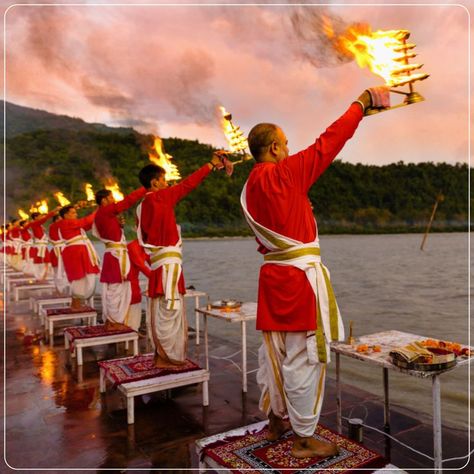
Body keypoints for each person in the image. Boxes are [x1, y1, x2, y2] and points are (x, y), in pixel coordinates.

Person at [240, 89, 387, 458]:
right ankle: (303, 438)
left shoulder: (249, 187)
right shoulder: (285, 173)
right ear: (273, 148)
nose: (289, 150)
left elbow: (283, 219)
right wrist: (360, 103)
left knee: (272, 353)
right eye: (285, 144)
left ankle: (276, 420)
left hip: (272, 279)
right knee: (305, 357)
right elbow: (329, 142)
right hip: (299, 281)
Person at [137, 153, 226, 368]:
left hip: (161, 266)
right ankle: (169, 358)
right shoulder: (161, 197)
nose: (167, 183)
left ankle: (161, 355)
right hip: (168, 267)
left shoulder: (142, 206)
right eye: (164, 179)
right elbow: (188, 184)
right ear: (155, 182)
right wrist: (210, 164)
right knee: (170, 312)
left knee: (161, 311)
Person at [93, 186, 146, 330]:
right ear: (104, 200)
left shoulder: (102, 214)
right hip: (115, 256)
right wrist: (144, 188)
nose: (113, 200)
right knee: (115, 289)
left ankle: (112, 320)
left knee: (116, 289)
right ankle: (113, 322)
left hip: (114, 255)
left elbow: (112, 233)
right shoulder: (105, 211)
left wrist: (119, 225)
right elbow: (128, 201)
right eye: (111, 198)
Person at [57, 204, 99, 309]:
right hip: (74, 252)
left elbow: (87, 225)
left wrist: (97, 214)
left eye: (75, 212)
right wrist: (98, 211)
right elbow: (85, 221)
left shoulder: (72, 224)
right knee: (78, 277)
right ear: (65, 215)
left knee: (83, 276)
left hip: (79, 251)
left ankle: (77, 303)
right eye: (73, 213)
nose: (76, 214)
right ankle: (75, 304)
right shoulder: (66, 222)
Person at [126, 239, 151, 332]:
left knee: (136, 300)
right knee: (133, 300)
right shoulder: (133, 246)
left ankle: (133, 330)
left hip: (133, 281)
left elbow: (153, 263)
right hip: (126, 282)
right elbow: (142, 266)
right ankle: (129, 331)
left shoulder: (146, 246)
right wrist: (159, 280)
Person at [28, 209, 59, 280]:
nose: (41, 217)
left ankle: (44, 275)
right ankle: (39, 276)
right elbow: (45, 219)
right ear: (35, 217)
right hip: (39, 246)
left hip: (43, 246)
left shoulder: (39, 225)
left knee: (46, 261)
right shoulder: (35, 223)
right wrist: (53, 212)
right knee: (39, 262)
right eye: (39, 216)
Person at [48, 214, 69, 295]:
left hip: (61, 249)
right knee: (59, 272)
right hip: (58, 250)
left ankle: (60, 289)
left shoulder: (56, 226)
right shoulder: (54, 226)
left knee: (61, 272)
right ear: (56, 220)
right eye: (60, 219)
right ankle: (60, 289)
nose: (62, 220)